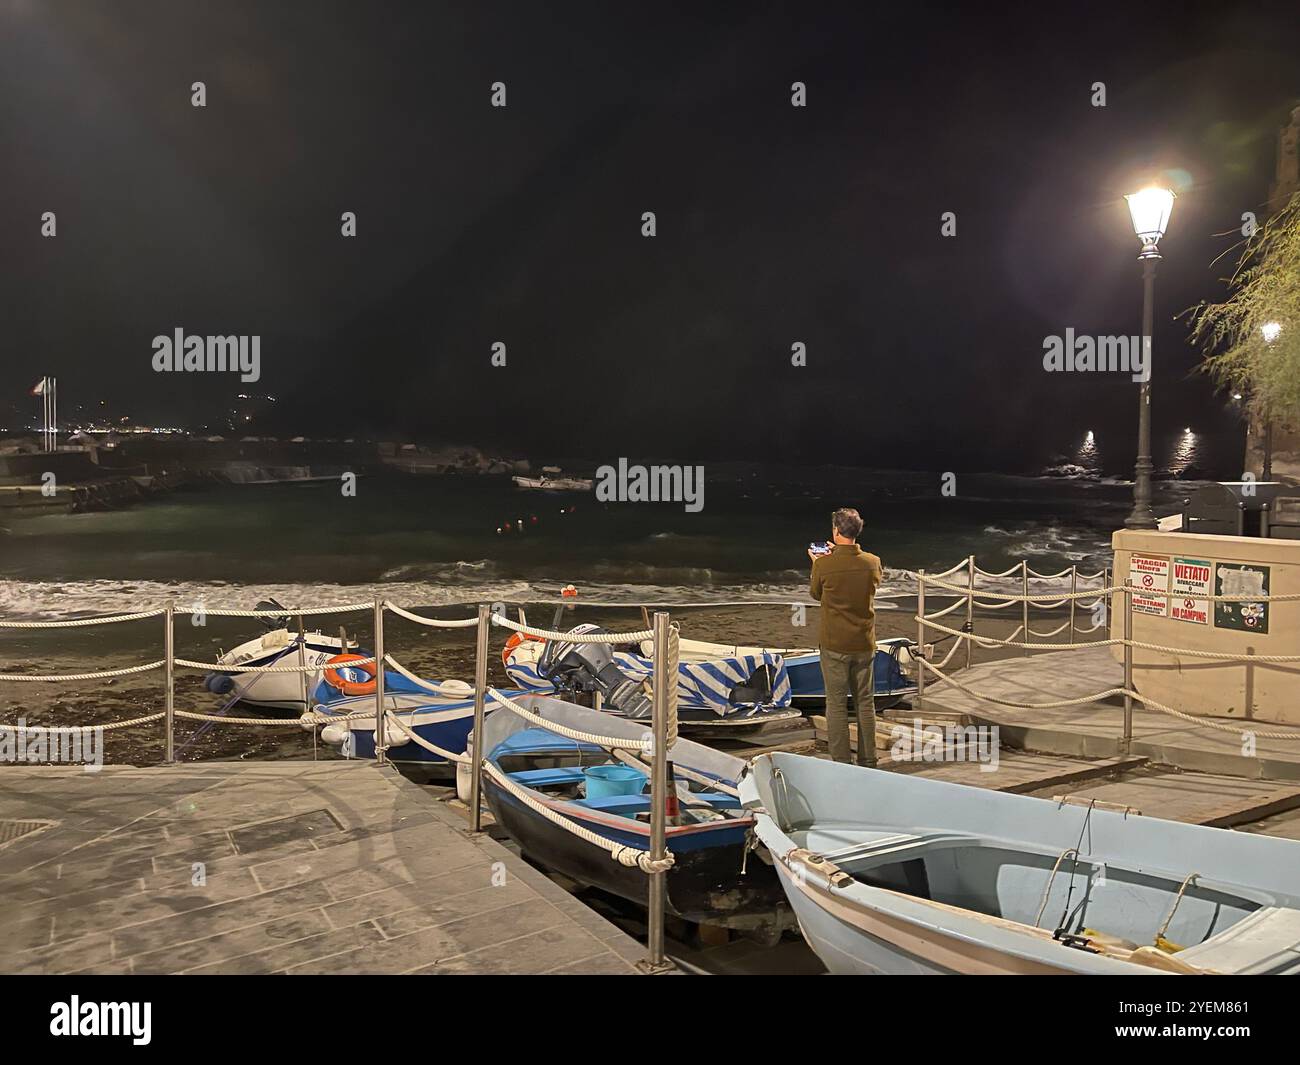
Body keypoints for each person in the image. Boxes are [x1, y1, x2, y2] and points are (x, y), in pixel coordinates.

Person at [808, 508, 883, 767]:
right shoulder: (872, 562)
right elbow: (867, 583)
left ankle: (840, 761)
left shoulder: (824, 564)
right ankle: (868, 759)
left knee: (837, 704)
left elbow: (816, 593)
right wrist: (838, 556)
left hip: (835, 643)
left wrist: (819, 562)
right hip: (863, 642)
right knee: (865, 702)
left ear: (836, 531)